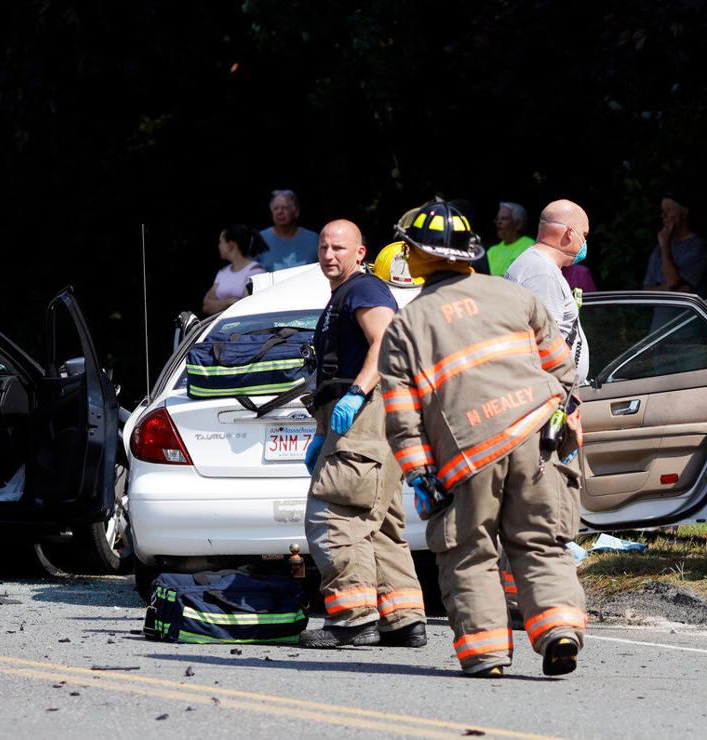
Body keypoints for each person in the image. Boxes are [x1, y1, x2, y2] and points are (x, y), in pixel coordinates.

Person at [379, 200, 585, 678]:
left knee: (469, 552)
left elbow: (403, 416)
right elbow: (562, 368)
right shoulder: (512, 296)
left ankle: (488, 654)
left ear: (417, 255)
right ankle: (559, 629)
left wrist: (419, 475)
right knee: (541, 541)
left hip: (468, 454)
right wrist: (556, 418)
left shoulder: (406, 326)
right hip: (536, 439)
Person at [298, 219, 427, 649]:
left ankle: (353, 619)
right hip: (367, 420)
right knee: (381, 521)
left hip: (365, 415)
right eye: (323, 247)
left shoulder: (364, 289)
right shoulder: (344, 296)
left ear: (360, 253)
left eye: (339, 247)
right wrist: (322, 431)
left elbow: (385, 343)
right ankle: (403, 619)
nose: (328, 255)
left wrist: (356, 394)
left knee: (335, 514)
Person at [505, 200, 591, 384]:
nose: (585, 243)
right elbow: (545, 345)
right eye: (584, 235)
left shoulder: (534, 264)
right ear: (570, 233)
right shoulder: (542, 273)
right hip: (552, 389)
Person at [642, 193, 707, 296]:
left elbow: (673, 282)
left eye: (668, 210)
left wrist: (665, 246)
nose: (663, 215)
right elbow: (646, 289)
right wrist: (668, 289)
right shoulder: (659, 248)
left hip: (687, 307)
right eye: (662, 211)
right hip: (661, 307)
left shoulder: (697, 246)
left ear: (684, 213)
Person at [202, 225, 268, 315]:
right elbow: (206, 306)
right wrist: (229, 302)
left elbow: (246, 306)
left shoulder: (256, 271)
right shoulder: (222, 272)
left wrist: (218, 304)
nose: (219, 246)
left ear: (231, 245)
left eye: (221, 242)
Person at [258, 189, 320, 271]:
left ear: (296, 212)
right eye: (275, 208)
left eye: (284, 208)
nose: (279, 212)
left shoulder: (313, 239)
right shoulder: (260, 239)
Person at [484, 202, 536, 278]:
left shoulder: (530, 247)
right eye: (497, 219)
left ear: (518, 223)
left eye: (504, 219)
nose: (499, 222)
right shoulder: (492, 250)